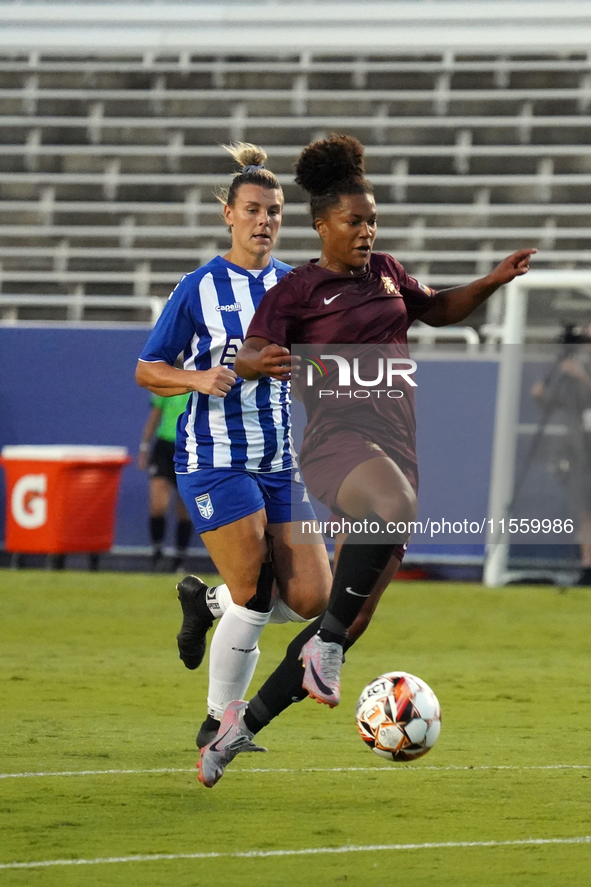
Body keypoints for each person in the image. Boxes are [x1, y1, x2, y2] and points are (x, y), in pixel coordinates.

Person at [197, 132, 536, 787]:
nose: (365, 230)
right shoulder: (296, 289)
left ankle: (235, 729)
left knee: (347, 619)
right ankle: (322, 647)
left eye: (372, 220)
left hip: (392, 451)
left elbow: (435, 309)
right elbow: (246, 352)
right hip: (335, 446)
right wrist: (255, 360)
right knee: (389, 511)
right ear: (321, 223)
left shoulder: (387, 273)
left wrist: (491, 280)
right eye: (354, 220)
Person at [135, 142, 333, 748]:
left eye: (273, 211)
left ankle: (206, 605)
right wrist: (196, 377)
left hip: (279, 461)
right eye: (252, 210)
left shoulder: (296, 287)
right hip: (216, 457)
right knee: (254, 592)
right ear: (229, 214)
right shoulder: (198, 287)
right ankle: (221, 720)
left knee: (311, 599)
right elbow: (147, 367)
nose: (264, 221)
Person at [531, 323, 591, 584]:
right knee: (584, 510)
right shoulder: (573, 365)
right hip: (581, 449)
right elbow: (557, 405)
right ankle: (587, 565)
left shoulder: (579, 371)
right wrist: (541, 395)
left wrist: (582, 376)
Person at [137, 389, 193, 571]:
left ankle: (179, 559)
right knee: (158, 506)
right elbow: (155, 414)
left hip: (190, 448)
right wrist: (144, 447)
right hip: (164, 447)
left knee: (184, 509)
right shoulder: (167, 383)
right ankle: (157, 554)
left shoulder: (201, 381)